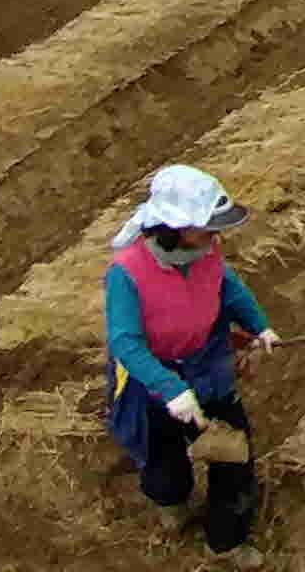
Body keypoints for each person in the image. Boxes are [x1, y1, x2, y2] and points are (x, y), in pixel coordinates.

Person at [103, 164, 275, 565]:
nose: (216, 236)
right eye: (207, 228)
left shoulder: (207, 251)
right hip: (150, 378)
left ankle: (226, 541)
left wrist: (260, 326)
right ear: (176, 227)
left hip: (207, 364)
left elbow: (229, 288)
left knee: (234, 455)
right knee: (163, 461)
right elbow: (125, 343)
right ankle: (171, 502)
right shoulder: (127, 273)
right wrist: (171, 389)